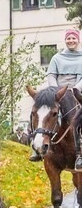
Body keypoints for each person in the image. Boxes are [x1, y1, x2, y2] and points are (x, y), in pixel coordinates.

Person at [36, 28, 82, 169]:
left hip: (77, 91)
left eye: (73, 38)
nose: (71, 41)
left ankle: (80, 154)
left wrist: (75, 89)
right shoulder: (57, 58)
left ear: (78, 40)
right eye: (68, 38)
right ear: (65, 40)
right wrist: (56, 91)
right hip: (59, 93)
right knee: (40, 108)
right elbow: (51, 75)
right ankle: (37, 147)